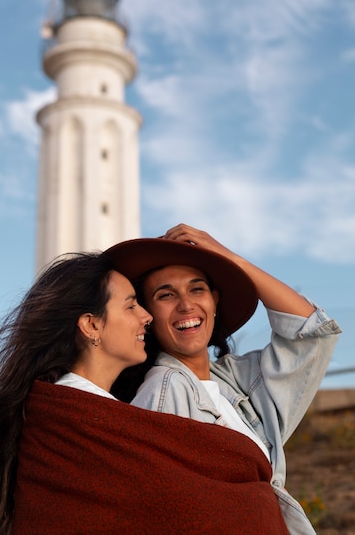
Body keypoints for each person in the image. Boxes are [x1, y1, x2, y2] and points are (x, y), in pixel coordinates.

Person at [0, 250, 289, 535]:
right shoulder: (68, 421)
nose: (146, 317)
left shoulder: (106, 414)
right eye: (130, 306)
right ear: (92, 325)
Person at [106, 223, 342, 535]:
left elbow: (311, 335)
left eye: (197, 289)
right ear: (147, 315)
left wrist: (230, 258)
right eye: (166, 295)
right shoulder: (165, 390)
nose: (186, 304)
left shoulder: (235, 382)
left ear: (215, 300)